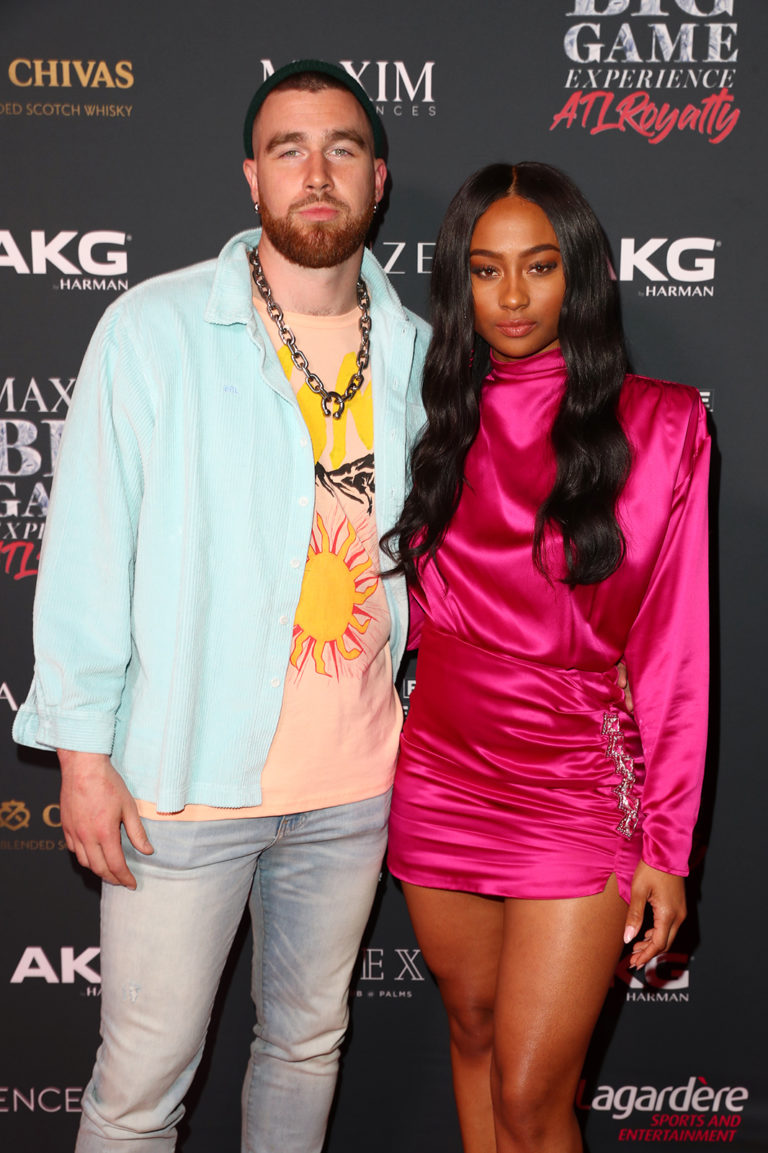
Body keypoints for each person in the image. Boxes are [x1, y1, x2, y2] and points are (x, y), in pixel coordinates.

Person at [13, 60, 429, 1152]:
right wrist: (81, 754)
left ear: (378, 179)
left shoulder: (425, 356)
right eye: (288, 149)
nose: (316, 171)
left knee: (304, 1048)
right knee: (141, 1087)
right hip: (181, 785)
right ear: (253, 179)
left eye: (341, 147)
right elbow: (92, 547)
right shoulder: (153, 330)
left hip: (355, 787)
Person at [384, 162, 710, 1153]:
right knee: (473, 1030)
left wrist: (667, 841)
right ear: (459, 283)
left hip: (573, 781)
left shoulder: (662, 425)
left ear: (583, 276)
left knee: (533, 1097)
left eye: (539, 267)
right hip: (438, 768)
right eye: (486, 271)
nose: (514, 298)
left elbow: (674, 648)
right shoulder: (424, 411)